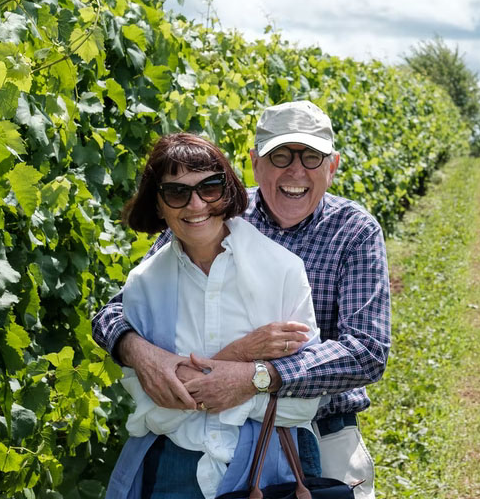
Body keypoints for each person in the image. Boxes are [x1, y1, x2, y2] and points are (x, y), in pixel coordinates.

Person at [95, 101, 391, 499]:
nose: (296, 172)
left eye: (312, 157)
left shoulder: (353, 231)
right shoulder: (212, 210)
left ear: (332, 166)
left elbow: (366, 351)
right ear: (255, 163)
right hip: (211, 433)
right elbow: (119, 308)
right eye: (280, 156)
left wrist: (258, 375)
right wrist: (140, 352)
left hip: (322, 429)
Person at [105, 132, 322, 499]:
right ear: (158, 205)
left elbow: (302, 404)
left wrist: (200, 383)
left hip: (268, 468)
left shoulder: (283, 270)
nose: (195, 204)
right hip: (175, 472)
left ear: (228, 191)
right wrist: (241, 356)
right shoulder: (144, 284)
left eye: (210, 187)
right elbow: (152, 410)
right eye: (177, 192)